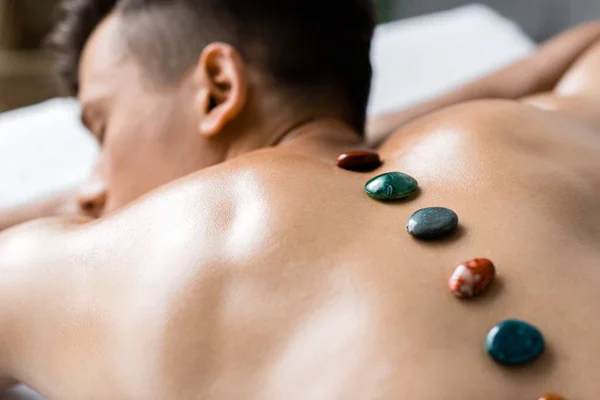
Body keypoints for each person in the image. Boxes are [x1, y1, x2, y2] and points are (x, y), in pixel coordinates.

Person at [0, 0, 599, 397]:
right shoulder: (540, 132)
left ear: (217, 89)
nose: (91, 188)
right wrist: (343, 137)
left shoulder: (81, 269)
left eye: (102, 128)